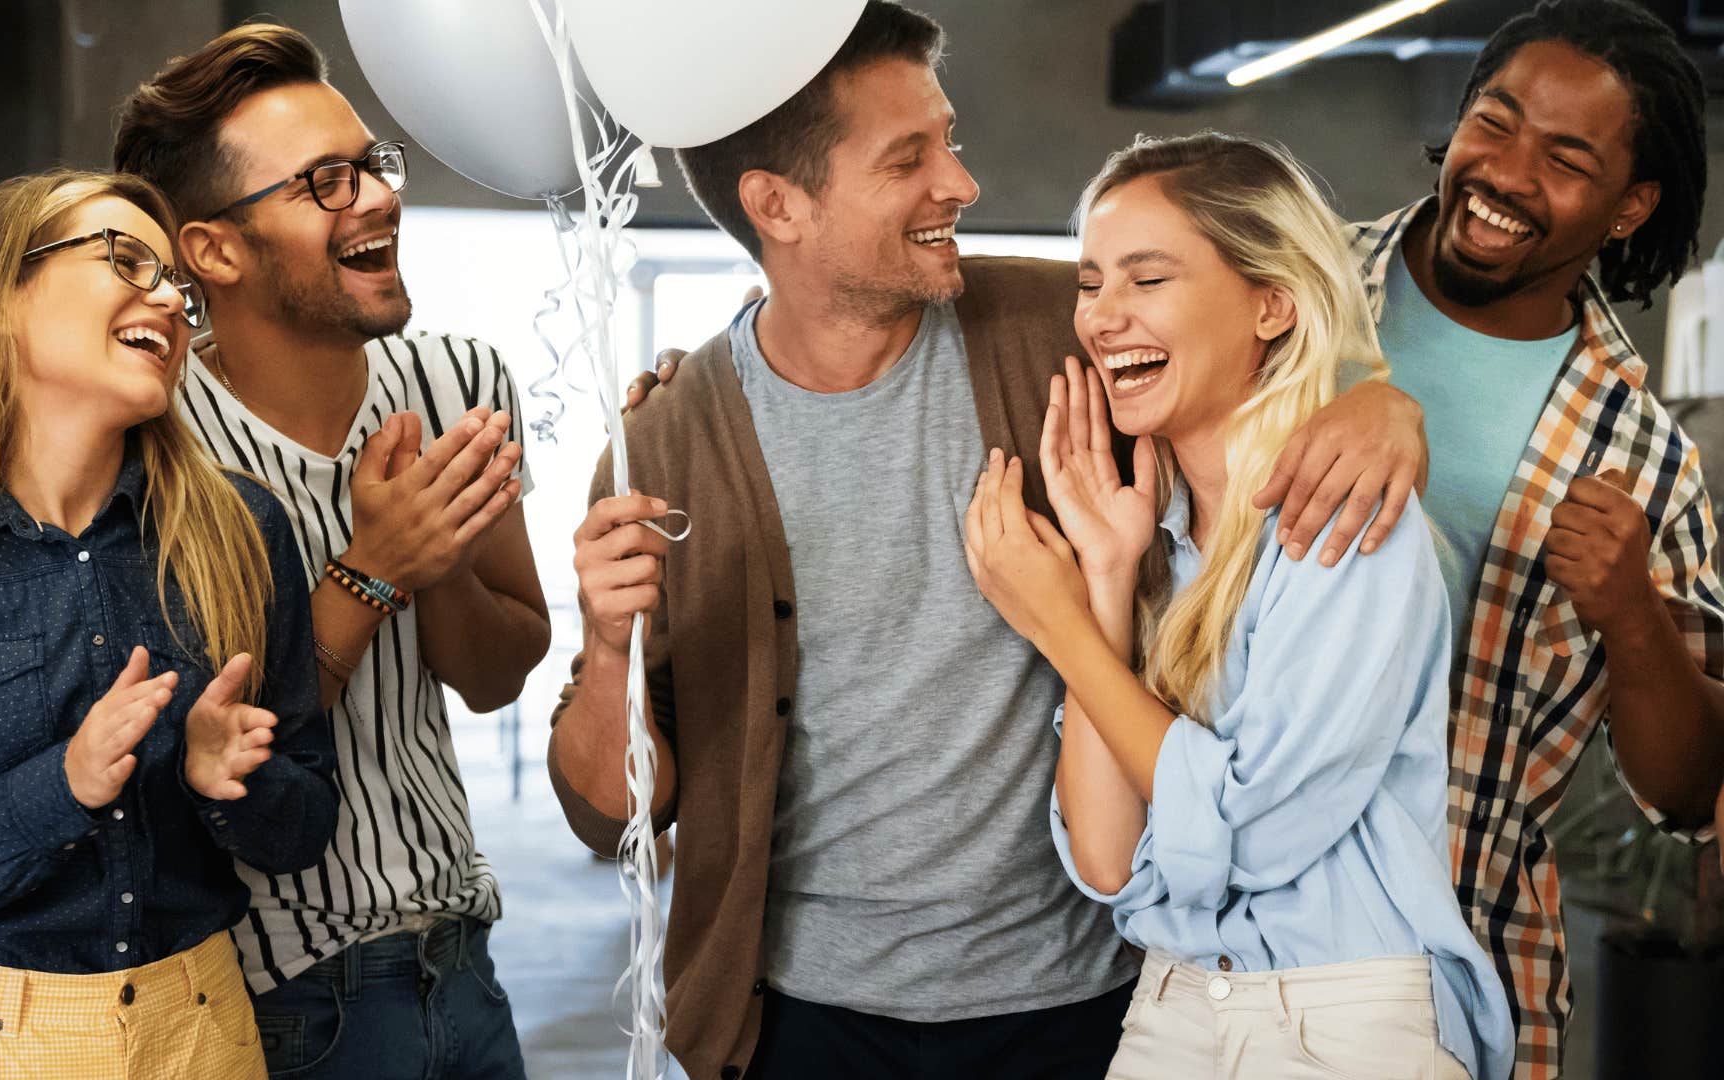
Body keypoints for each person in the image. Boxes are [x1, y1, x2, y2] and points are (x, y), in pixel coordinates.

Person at [553, 5, 1429, 1077]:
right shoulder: (666, 446)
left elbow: (1247, 335)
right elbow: (610, 819)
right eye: (909, 157)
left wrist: (1381, 403)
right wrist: (607, 651)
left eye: (949, 140)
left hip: (1083, 1000)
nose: (962, 183)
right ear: (778, 205)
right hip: (802, 1019)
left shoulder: (1052, 325)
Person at [964, 131, 1514, 1080]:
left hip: (1343, 1015)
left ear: (1273, 304)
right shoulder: (1158, 547)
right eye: (1091, 282)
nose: (1101, 317)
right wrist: (1100, 579)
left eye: (1148, 279)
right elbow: (1103, 858)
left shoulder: (1346, 527)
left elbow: (1251, 833)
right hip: (1175, 1000)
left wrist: (1052, 621)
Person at [0, 169, 337, 1078]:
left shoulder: (245, 529)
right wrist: (61, 787)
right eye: (128, 260)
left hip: (204, 1032)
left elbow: (305, 825)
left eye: (178, 283)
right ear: (0, 299)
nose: (170, 297)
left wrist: (223, 784)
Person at [112, 24, 550, 1079]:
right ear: (214, 250)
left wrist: (438, 561)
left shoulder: (460, 383)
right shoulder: (155, 444)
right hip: (284, 1006)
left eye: (371, 164)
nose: (378, 198)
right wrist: (374, 567)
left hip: (465, 963)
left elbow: (496, 677)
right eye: (325, 182)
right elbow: (206, 755)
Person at [1349, 4, 1724, 1073]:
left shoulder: (1643, 455)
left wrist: (1633, 615)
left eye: (1565, 158)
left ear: (1627, 208)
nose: (1505, 173)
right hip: (1202, 930)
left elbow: (1692, 791)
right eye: (1495, 122)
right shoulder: (1289, 294)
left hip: (1448, 964)